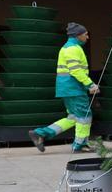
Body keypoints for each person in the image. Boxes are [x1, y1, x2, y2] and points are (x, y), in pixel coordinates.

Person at [28, 22, 99, 153]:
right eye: (85, 34)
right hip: (74, 89)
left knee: (73, 117)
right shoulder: (74, 49)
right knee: (85, 116)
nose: (87, 37)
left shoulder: (68, 48)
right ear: (78, 35)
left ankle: (41, 134)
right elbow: (76, 70)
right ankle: (80, 145)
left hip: (68, 89)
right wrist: (90, 84)